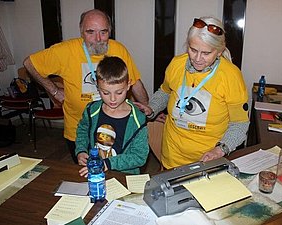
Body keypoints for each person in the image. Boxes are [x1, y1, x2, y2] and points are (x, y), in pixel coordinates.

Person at [23, 9, 149, 163]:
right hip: (81, 132)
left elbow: (135, 82)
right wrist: (54, 91)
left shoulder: (118, 49)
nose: (98, 39)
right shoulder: (65, 51)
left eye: (103, 32)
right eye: (90, 32)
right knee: (87, 175)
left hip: (116, 128)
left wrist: (147, 109)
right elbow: (29, 63)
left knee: (116, 169)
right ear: (81, 31)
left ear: (110, 31)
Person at [136, 16, 249, 169]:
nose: (197, 59)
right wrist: (152, 108)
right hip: (172, 157)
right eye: (193, 50)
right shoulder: (177, 64)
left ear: (219, 51)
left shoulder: (231, 76)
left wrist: (220, 150)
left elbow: (240, 124)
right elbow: (164, 92)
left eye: (206, 53)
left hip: (207, 161)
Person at [76, 56, 149, 175]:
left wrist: (108, 163)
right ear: (98, 87)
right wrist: (81, 150)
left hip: (124, 176)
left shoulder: (138, 120)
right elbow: (82, 131)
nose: (113, 99)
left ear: (128, 85)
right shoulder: (92, 110)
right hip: (95, 172)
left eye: (119, 92)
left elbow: (139, 156)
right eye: (105, 93)